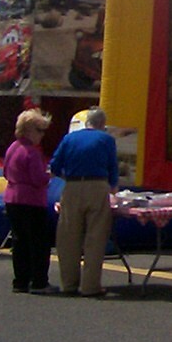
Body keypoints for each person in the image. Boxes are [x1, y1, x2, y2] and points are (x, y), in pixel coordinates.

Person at [51, 107, 121, 297]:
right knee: (95, 237)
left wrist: (67, 176)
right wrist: (113, 188)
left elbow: (55, 165)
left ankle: (69, 284)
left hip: (72, 186)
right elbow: (113, 167)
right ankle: (90, 286)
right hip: (98, 186)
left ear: (86, 122)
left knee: (68, 236)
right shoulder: (107, 140)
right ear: (102, 124)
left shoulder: (69, 139)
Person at [2, 109, 54, 294]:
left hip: (12, 197)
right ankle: (39, 281)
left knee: (20, 242)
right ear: (29, 130)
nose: (42, 135)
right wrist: (49, 175)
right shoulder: (31, 152)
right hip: (31, 200)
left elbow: (5, 172)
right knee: (39, 243)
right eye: (39, 130)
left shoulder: (12, 148)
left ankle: (20, 281)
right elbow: (38, 179)